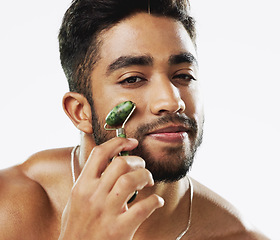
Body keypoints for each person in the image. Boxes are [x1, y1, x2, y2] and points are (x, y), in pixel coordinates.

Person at [0, 0, 269, 239]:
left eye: (183, 76)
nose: (172, 101)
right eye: (133, 79)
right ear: (80, 112)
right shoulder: (9, 206)